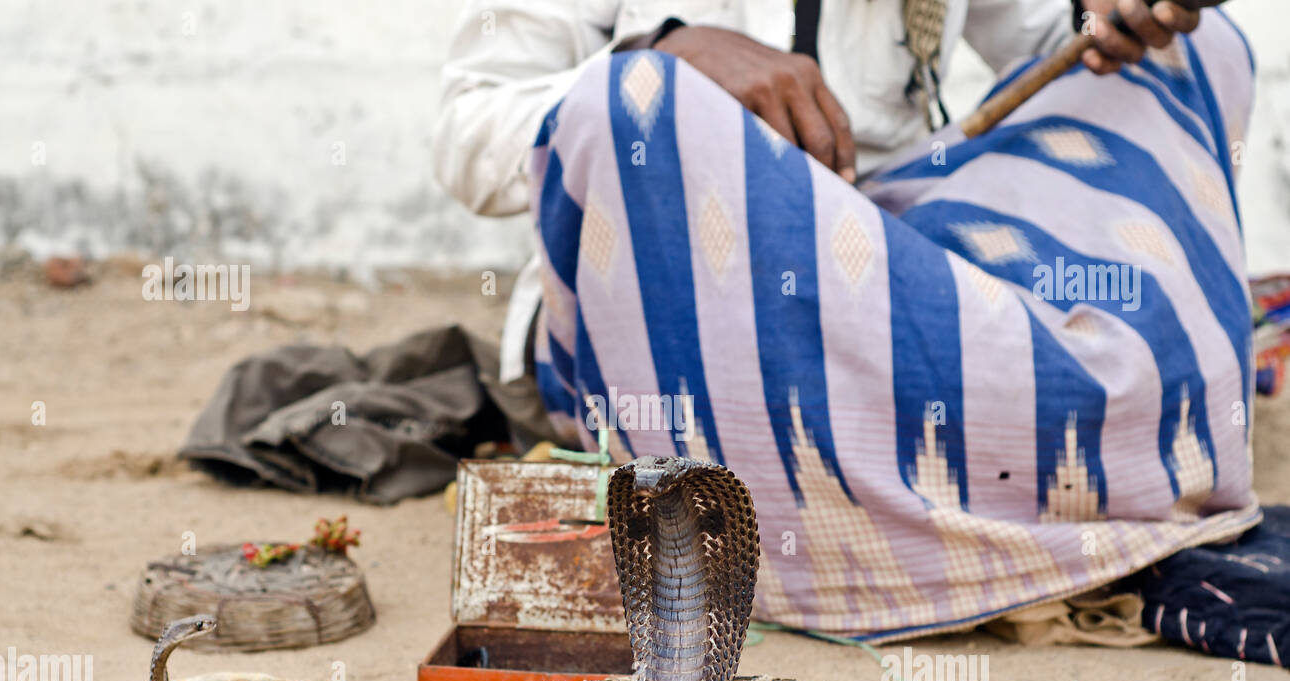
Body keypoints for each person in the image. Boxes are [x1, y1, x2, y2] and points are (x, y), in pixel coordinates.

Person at [433, 1, 1259, 641]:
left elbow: (1049, 39)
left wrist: (1108, 17)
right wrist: (668, 55)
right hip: (684, 296)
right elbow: (468, 128)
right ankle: (915, 502)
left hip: (893, 261)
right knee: (634, 101)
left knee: (1193, 49)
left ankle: (1037, 459)